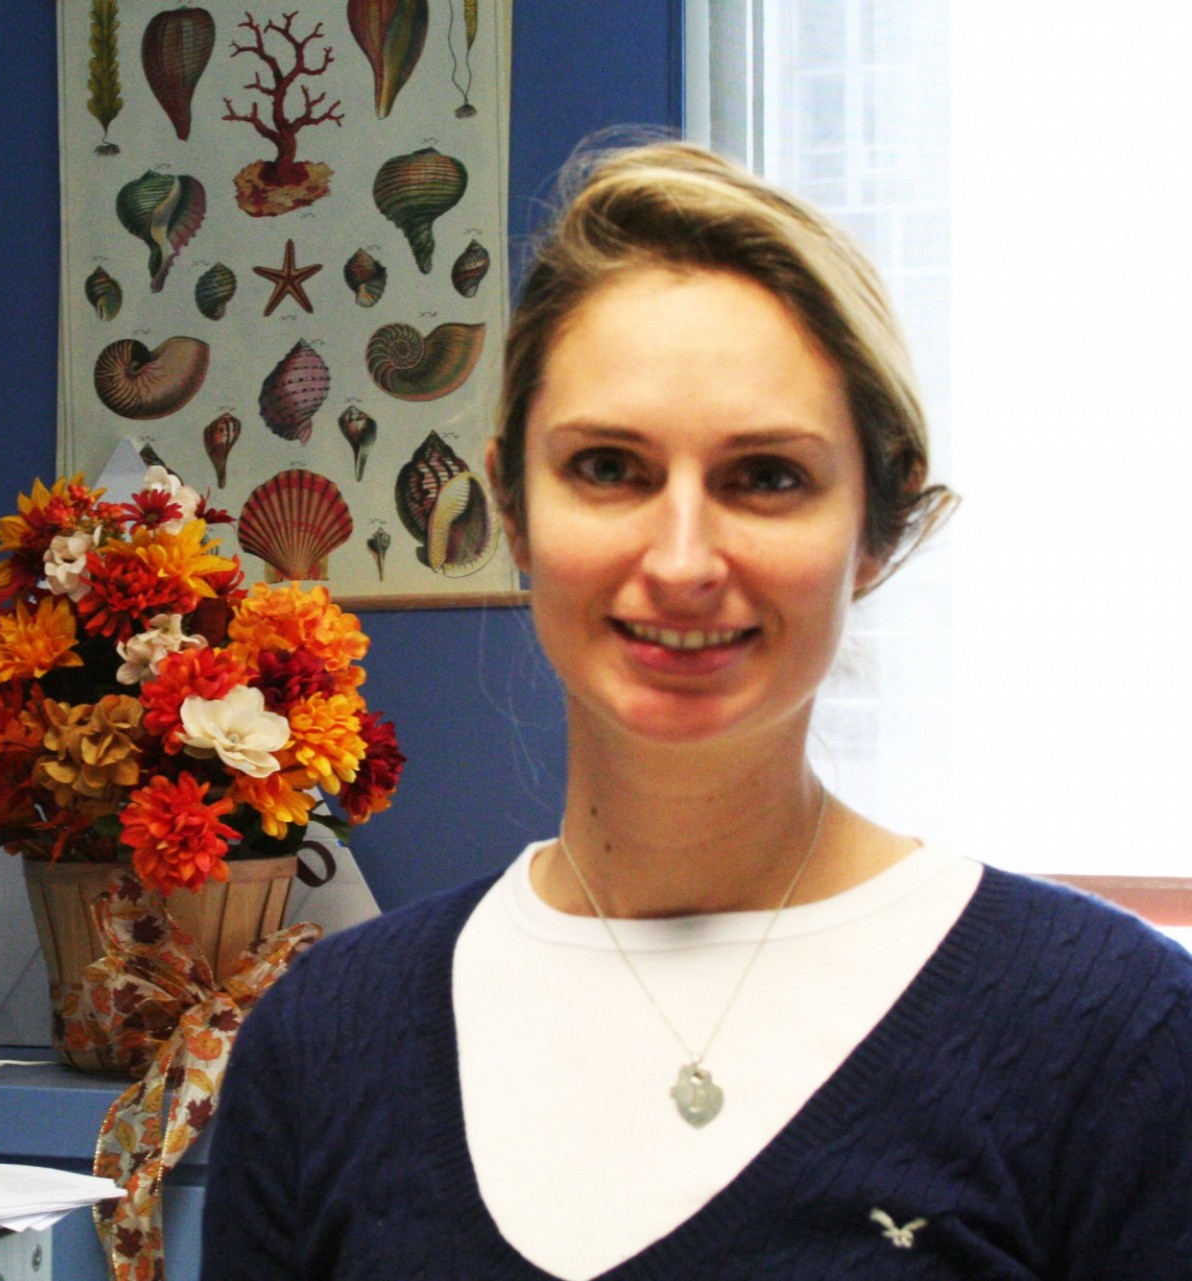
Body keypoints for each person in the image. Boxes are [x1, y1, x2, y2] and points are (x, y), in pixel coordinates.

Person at [200, 140, 1192, 1278]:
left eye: (766, 476)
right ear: (512, 510)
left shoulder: (1112, 1035)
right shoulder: (323, 1044)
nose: (680, 562)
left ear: (878, 530)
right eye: (610, 468)